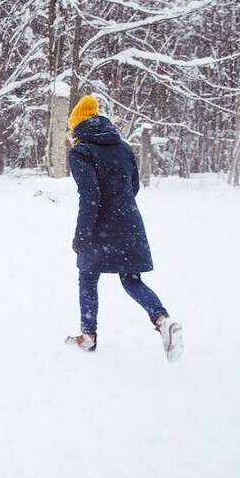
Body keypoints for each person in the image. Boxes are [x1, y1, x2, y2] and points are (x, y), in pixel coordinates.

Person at [64, 95, 183, 362]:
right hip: (129, 221)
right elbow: (134, 187)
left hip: (99, 227)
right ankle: (162, 320)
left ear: (77, 126)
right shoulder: (123, 147)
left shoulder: (81, 151)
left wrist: (82, 234)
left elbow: (90, 195)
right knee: (131, 280)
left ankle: (88, 336)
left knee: (87, 276)